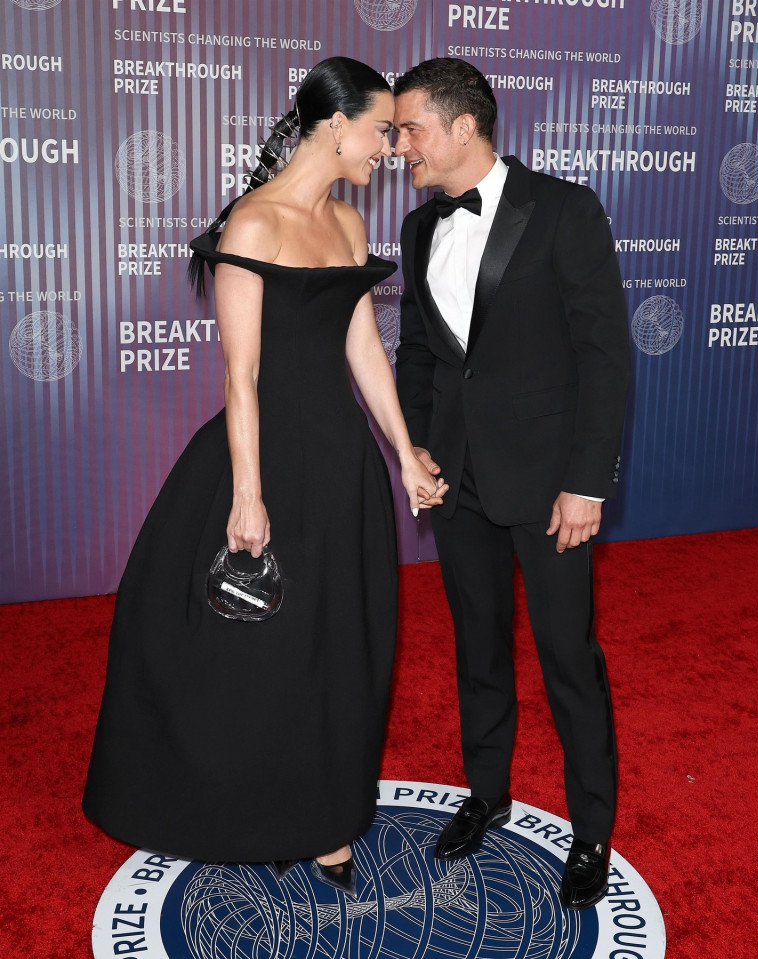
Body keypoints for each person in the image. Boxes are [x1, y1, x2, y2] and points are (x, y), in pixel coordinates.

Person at [82, 56, 446, 898]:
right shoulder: (253, 226)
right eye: (381, 129)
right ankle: (233, 804)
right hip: (266, 461)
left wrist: (403, 450)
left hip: (341, 467)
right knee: (250, 644)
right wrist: (248, 494)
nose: (391, 147)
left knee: (334, 643)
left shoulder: (351, 224)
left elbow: (364, 349)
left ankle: (322, 814)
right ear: (332, 125)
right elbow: (239, 376)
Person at [392, 57, 630, 909]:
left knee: (569, 657)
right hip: (458, 482)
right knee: (477, 648)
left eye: (411, 128)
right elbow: (419, 354)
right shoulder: (421, 229)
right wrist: (417, 451)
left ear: (464, 126)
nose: (399, 146)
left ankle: (591, 826)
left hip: (550, 485)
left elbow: (605, 356)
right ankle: (486, 792)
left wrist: (586, 482)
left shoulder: (564, 209)